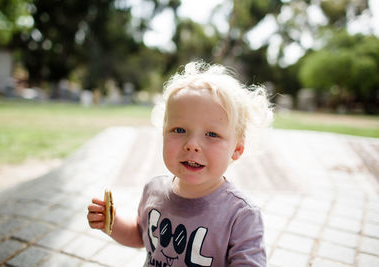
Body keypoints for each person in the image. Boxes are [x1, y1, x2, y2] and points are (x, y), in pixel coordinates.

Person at [87, 61, 273, 266]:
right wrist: (111, 223)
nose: (192, 145)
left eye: (212, 134)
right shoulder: (154, 190)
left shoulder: (241, 215)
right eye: (179, 130)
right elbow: (142, 236)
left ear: (237, 148)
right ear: (163, 132)